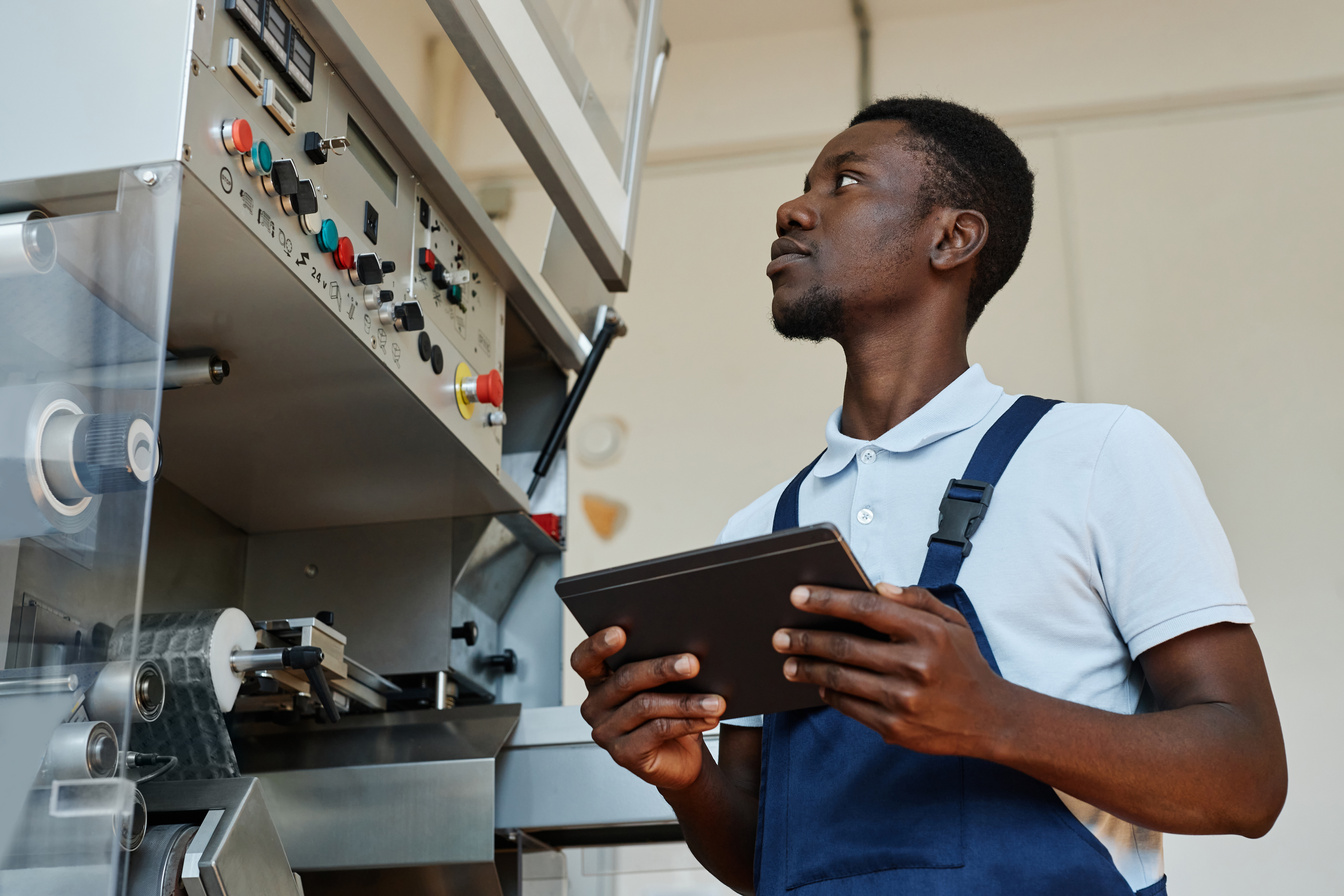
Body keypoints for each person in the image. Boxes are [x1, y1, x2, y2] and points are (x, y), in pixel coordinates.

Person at [570, 97, 1286, 895]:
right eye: (805, 184)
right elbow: (764, 858)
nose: (793, 208)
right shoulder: (761, 530)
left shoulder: (1098, 456)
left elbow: (1248, 777)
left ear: (953, 237)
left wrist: (995, 715)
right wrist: (683, 776)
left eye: (845, 181)